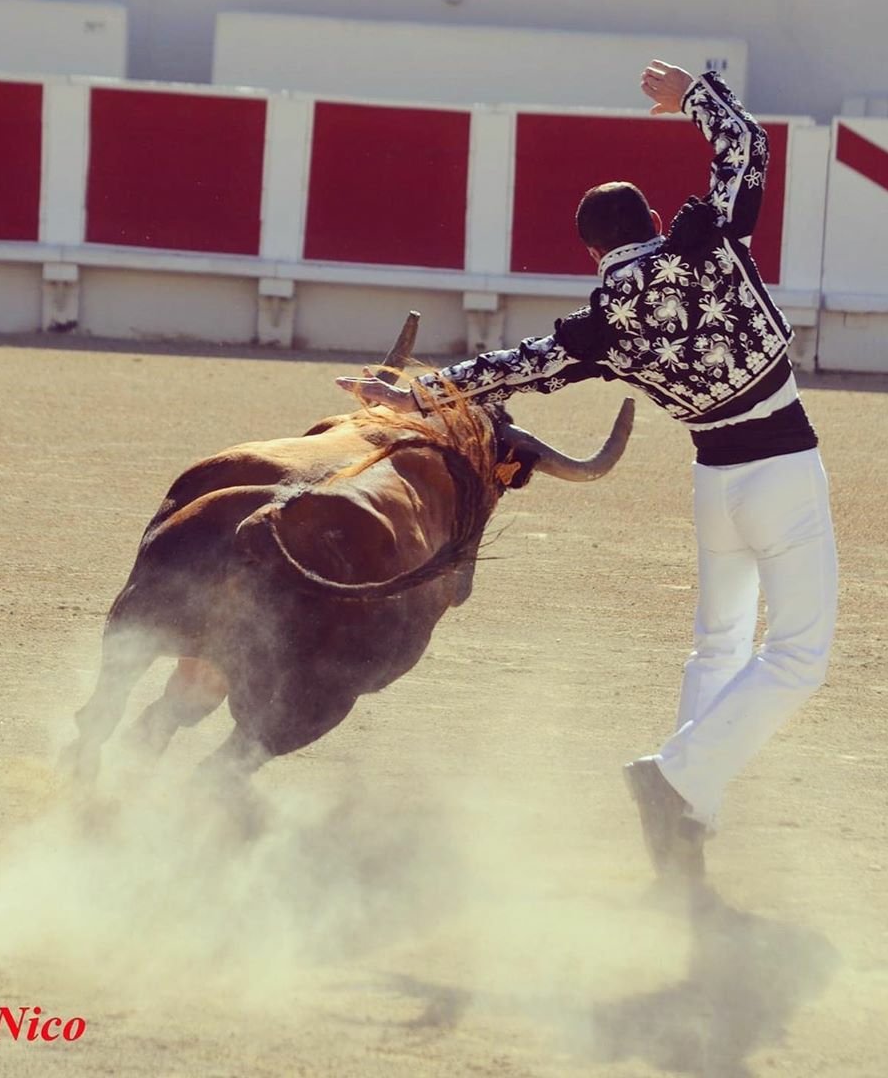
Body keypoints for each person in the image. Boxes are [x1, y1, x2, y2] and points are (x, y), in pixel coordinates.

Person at [335, 60, 838, 882]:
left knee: (716, 646)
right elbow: (746, 145)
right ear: (647, 216)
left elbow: (504, 371)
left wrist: (406, 394)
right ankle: (677, 780)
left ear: (591, 250)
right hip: (782, 463)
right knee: (797, 655)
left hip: (716, 484)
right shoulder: (705, 243)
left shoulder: (599, 325)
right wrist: (692, 98)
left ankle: (690, 817)